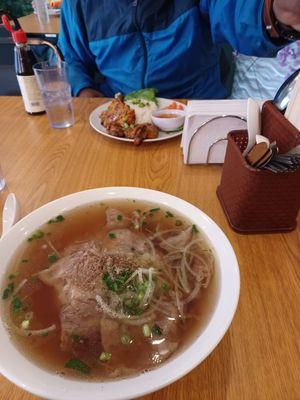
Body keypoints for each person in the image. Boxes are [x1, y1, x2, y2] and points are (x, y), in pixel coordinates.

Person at [58, 0, 300, 99]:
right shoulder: (78, 4)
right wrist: (85, 94)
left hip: (198, 108)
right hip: (122, 114)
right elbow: (71, 58)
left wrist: (276, 13)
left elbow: (237, 14)